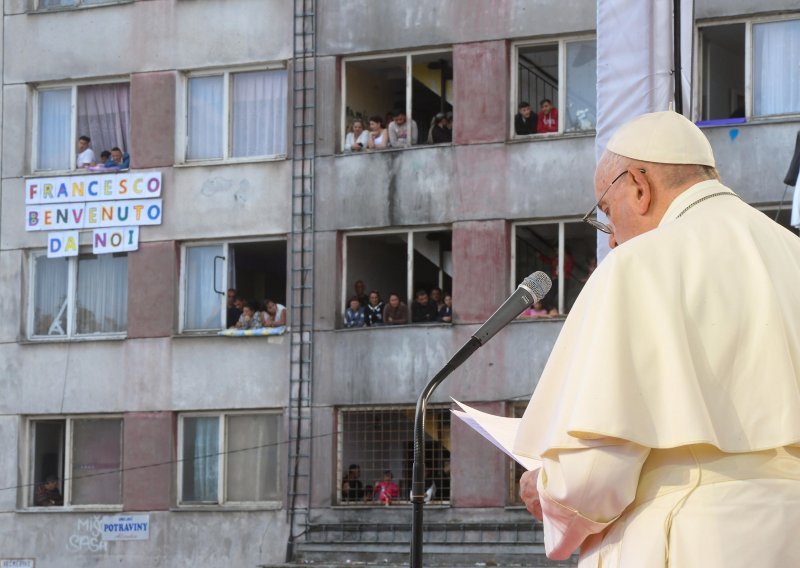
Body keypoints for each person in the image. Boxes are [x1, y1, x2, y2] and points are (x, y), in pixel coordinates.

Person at [514, 110, 800, 567]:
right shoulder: (794, 253)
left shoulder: (639, 264)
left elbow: (594, 474)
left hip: (698, 539)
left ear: (639, 186)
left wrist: (546, 489)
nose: (611, 241)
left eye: (606, 213)